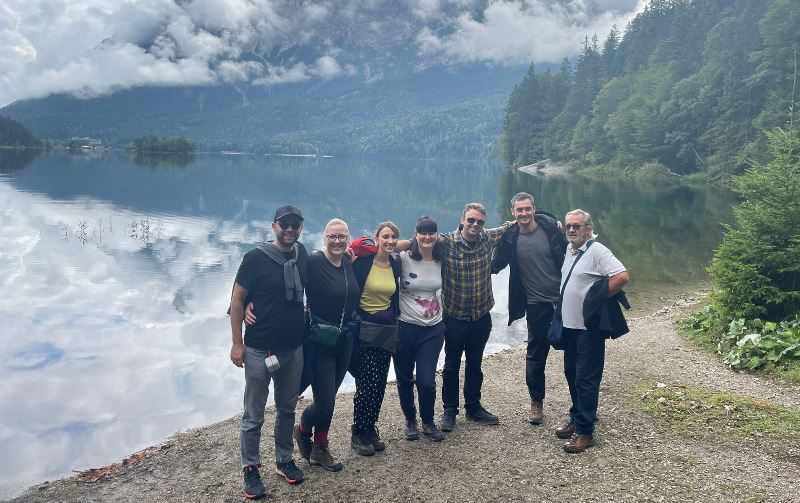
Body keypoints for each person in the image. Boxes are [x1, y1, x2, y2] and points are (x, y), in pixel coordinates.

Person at [403, 202, 510, 432]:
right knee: (451, 365)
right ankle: (450, 410)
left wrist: (549, 220)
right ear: (462, 219)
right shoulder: (446, 242)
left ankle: (473, 407)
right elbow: (421, 240)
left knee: (475, 363)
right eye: (471, 220)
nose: (475, 225)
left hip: (481, 316)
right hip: (454, 317)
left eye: (480, 222)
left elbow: (511, 226)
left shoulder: (487, 239)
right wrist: (379, 248)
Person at [229, 204, 308, 500]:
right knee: (253, 415)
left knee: (287, 409)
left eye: (295, 224)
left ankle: (284, 459)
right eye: (284, 224)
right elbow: (237, 298)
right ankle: (250, 468)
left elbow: (330, 263)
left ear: (300, 228)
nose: (289, 229)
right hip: (259, 349)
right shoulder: (255, 258)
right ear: (274, 226)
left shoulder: (302, 255)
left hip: (293, 348)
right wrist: (237, 343)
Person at [556, 209, 629, 453]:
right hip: (570, 328)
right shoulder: (570, 249)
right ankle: (577, 418)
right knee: (571, 374)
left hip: (589, 329)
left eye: (577, 226)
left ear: (588, 229)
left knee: (586, 380)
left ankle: (585, 432)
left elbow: (622, 276)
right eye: (569, 226)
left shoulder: (598, 251)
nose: (572, 230)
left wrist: (596, 297)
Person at [492, 192, 567, 425]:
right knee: (536, 355)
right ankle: (536, 402)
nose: (524, 213)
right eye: (519, 210)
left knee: (575, 351)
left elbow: (574, 250)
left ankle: (581, 404)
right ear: (512, 212)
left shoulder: (551, 228)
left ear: (534, 209)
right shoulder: (509, 238)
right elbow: (495, 265)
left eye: (527, 209)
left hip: (564, 300)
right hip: (536, 304)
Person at [349, 221, 402, 456]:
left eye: (394, 238)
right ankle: (358, 432)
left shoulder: (394, 264)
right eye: (386, 237)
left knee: (380, 382)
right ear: (377, 238)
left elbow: (395, 296)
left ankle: (371, 429)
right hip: (364, 328)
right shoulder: (361, 263)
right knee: (366, 382)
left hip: (387, 329)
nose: (389, 241)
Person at [394, 216, 446, 442]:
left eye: (431, 232)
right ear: (415, 234)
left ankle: (428, 421)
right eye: (422, 233)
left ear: (437, 234)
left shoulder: (441, 258)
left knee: (426, 380)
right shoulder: (403, 258)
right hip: (404, 326)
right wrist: (406, 242)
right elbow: (379, 245)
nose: (427, 237)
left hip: (432, 328)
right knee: (404, 377)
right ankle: (410, 420)